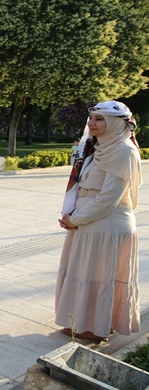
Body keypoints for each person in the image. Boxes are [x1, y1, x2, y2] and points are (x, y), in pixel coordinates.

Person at [56, 101, 142, 342]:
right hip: (89, 223)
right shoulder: (98, 148)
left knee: (98, 277)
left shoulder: (123, 151)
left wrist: (76, 219)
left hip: (106, 225)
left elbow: (108, 198)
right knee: (86, 274)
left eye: (100, 119)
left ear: (116, 123)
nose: (92, 123)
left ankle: (95, 328)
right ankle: (86, 322)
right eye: (92, 118)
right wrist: (71, 215)